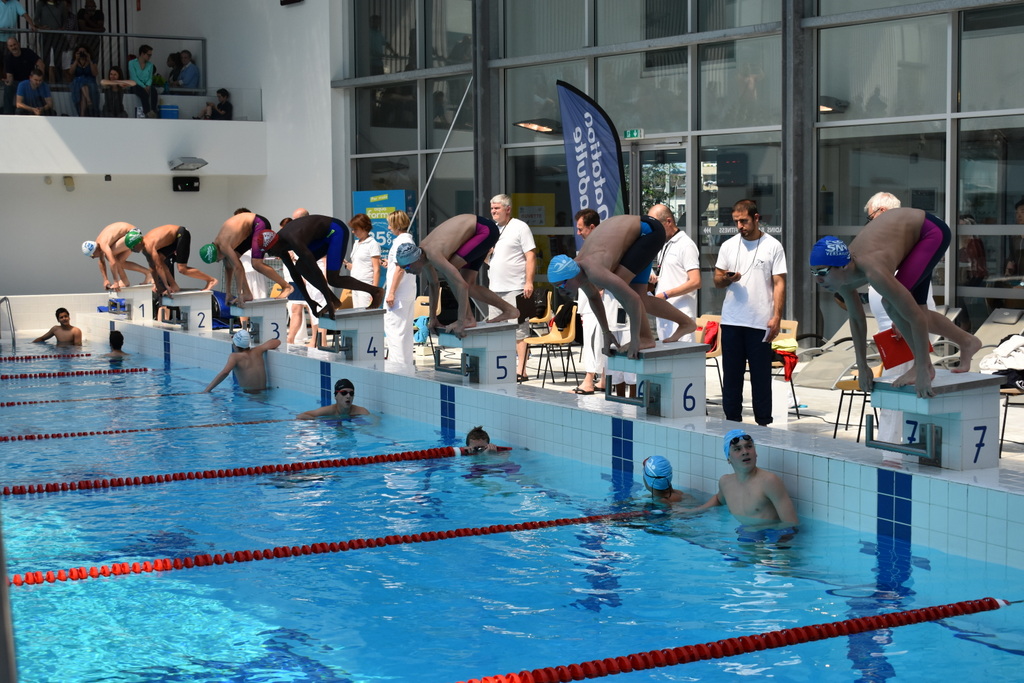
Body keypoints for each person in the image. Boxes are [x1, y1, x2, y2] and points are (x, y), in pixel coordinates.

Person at [811, 208, 982, 399]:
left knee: (893, 305)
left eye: (822, 272)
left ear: (842, 266)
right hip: (912, 236)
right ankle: (967, 341)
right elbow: (857, 320)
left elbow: (916, 319)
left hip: (930, 232)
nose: (818, 280)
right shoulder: (843, 280)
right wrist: (862, 365)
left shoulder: (873, 270)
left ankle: (923, 365)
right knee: (917, 310)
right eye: (814, 272)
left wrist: (923, 369)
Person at [546, 214, 696, 359]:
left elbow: (632, 299)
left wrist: (634, 339)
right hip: (640, 233)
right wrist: (606, 333)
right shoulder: (579, 271)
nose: (561, 290)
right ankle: (686, 323)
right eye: (557, 287)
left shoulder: (593, 270)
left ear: (572, 276)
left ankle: (644, 338)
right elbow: (593, 298)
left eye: (562, 285)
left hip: (648, 231)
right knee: (640, 298)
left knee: (622, 288)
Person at [714, 199, 787, 426]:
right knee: (732, 376)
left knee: (761, 377)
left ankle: (763, 423)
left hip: (760, 322)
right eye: (736, 221)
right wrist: (727, 278)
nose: (740, 226)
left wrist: (777, 317)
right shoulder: (728, 246)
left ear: (756, 218)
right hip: (732, 320)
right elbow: (716, 280)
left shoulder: (773, 245)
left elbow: (779, 283)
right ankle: (732, 422)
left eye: (744, 221)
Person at [395, 214, 520, 338]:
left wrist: (460, 322)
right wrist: (432, 318)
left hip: (483, 230)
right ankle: (509, 310)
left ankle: (467, 318)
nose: (407, 272)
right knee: (467, 284)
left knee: (454, 277)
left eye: (407, 267)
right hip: (482, 231)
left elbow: (461, 285)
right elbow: (434, 285)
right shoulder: (424, 256)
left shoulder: (433, 254)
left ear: (416, 259)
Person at [261, 214, 384, 317]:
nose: (270, 254)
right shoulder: (279, 247)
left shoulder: (293, 239)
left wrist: (327, 301)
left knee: (333, 279)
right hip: (322, 237)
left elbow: (315, 270)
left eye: (270, 250)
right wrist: (310, 301)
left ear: (275, 244)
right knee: (300, 266)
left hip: (335, 231)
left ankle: (376, 291)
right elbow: (294, 274)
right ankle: (334, 301)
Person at [684, 430, 799, 537]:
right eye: (737, 449)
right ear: (728, 458)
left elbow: (791, 524)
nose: (745, 452)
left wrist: (758, 530)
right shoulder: (726, 482)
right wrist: (694, 511)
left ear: (756, 452)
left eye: (749, 446)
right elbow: (719, 499)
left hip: (771, 538)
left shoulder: (769, 481)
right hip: (746, 535)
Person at [487, 194, 538, 382]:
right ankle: (502, 367)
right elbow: (489, 260)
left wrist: (529, 282)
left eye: (497, 208)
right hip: (494, 289)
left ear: (508, 209)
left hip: (516, 287)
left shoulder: (520, 227)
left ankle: (521, 370)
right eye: (492, 208)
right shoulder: (492, 230)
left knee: (519, 331)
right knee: (496, 330)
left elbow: (531, 256)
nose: (493, 212)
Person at [199, 209, 293, 305]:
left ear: (217, 253)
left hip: (258, 223)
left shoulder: (224, 246)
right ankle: (247, 293)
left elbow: (238, 268)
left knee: (256, 264)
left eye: (217, 260)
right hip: (250, 230)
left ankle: (286, 286)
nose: (218, 261)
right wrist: (228, 293)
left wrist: (239, 294)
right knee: (231, 261)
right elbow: (228, 268)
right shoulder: (218, 245)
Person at [648, 204, 701, 343]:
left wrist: (666, 295)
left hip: (681, 314)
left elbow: (696, 281)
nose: (653, 230)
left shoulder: (686, 245)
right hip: (664, 313)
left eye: (656, 225)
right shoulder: (664, 244)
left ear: (669, 221)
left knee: (681, 356)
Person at [125, 225, 217, 297]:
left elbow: (159, 267)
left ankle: (211, 280)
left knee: (182, 269)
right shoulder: (144, 248)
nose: (132, 250)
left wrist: (166, 286)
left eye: (133, 247)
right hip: (173, 240)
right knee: (160, 260)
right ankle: (174, 286)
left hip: (181, 234)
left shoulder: (148, 246)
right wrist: (157, 286)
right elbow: (153, 268)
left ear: (139, 242)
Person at [570, 209, 605, 395]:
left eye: (580, 229)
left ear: (591, 227)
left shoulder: (601, 246)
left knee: (593, 341)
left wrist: (601, 287)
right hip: (589, 301)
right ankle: (604, 378)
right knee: (599, 340)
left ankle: (589, 380)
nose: (578, 233)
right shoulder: (589, 246)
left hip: (595, 301)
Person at [383, 209, 417, 366]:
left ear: (397, 225)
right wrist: (389, 264)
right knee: (405, 333)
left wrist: (391, 292)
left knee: (395, 333)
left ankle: (398, 369)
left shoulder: (401, 242)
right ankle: (405, 366)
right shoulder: (409, 242)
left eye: (390, 225)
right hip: (407, 293)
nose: (389, 228)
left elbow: (400, 269)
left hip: (398, 295)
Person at [203, 329, 281, 393]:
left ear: (235, 345)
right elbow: (277, 341)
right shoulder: (258, 350)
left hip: (249, 396)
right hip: (264, 393)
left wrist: (207, 390)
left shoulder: (235, 357)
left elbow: (225, 373)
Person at [82, 221, 152, 290]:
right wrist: (105, 280)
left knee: (110, 256)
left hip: (132, 234)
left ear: (95, 250)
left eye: (92, 255)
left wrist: (115, 282)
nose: (93, 258)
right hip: (133, 234)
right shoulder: (98, 245)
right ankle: (148, 273)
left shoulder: (103, 244)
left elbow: (112, 262)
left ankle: (124, 281)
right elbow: (101, 262)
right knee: (119, 262)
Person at [343, 213, 381, 308]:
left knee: (365, 313)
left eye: (355, 229)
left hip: (366, 285)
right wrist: (345, 263)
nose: (353, 232)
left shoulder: (372, 244)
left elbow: (376, 269)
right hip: (355, 284)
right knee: (357, 312)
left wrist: (374, 291)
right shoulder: (356, 243)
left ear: (363, 228)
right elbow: (357, 266)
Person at [296, 378, 370, 419]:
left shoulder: (361, 411)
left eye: (351, 393)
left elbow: (374, 424)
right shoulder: (329, 411)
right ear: (335, 396)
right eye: (344, 393)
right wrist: (318, 420)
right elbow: (301, 416)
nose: (348, 396)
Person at [3, 36, 42, 115]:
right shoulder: (8, 58)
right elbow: (10, 76)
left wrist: (39, 78)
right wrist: (7, 81)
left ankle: (36, 111)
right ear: (8, 48)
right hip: (16, 83)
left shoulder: (28, 52)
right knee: (7, 87)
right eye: (11, 46)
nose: (13, 47)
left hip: (30, 81)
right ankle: (7, 114)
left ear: (19, 44)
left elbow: (40, 64)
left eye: (14, 44)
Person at [32, 0, 62, 83]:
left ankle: (59, 82)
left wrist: (61, 29)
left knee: (58, 60)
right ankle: (44, 81)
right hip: (45, 35)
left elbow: (65, 19)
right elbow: (36, 20)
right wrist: (41, 27)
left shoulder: (61, 4)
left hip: (57, 36)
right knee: (45, 60)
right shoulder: (40, 4)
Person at [67, 44, 99, 117]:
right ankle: (88, 100)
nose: (82, 54)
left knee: (83, 92)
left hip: (90, 82)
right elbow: (71, 72)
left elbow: (95, 73)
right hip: (77, 83)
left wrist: (89, 60)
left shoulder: (91, 61)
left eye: (84, 52)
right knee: (81, 81)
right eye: (80, 52)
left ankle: (82, 114)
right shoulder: (74, 61)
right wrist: (76, 60)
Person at [128, 44, 158, 117]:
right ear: (142, 53)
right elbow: (134, 77)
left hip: (146, 84)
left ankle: (153, 110)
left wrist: (148, 85)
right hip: (135, 84)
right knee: (143, 92)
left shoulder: (150, 65)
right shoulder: (132, 63)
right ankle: (147, 112)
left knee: (154, 91)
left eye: (150, 55)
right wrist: (143, 86)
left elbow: (150, 77)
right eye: (148, 55)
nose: (150, 57)